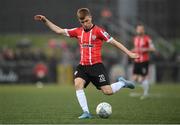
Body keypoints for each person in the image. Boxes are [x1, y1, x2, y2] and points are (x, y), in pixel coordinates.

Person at [34, 8, 139, 119]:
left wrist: (129, 53)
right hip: (83, 67)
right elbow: (58, 31)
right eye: (82, 22)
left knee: (107, 91)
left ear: (90, 17)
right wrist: (45, 20)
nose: (85, 24)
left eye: (86, 21)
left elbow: (115, 42)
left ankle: (122, 83)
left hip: (96, 66)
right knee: (78, 84)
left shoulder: (99, 31)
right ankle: (86, 112)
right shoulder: (78, 31)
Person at [131, 24, 156, 99]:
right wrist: (132, 51)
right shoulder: (135, 38)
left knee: (143, 77)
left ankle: (146, 93)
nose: (139, 30)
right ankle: (144, 88)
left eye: (140, 29)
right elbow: (136, 48)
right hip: (136, 60)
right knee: (135, 78)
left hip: (144, 61)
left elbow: (153, 49)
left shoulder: (147, 39)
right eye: (138, 29)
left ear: (143, 30)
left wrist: (145, 49)